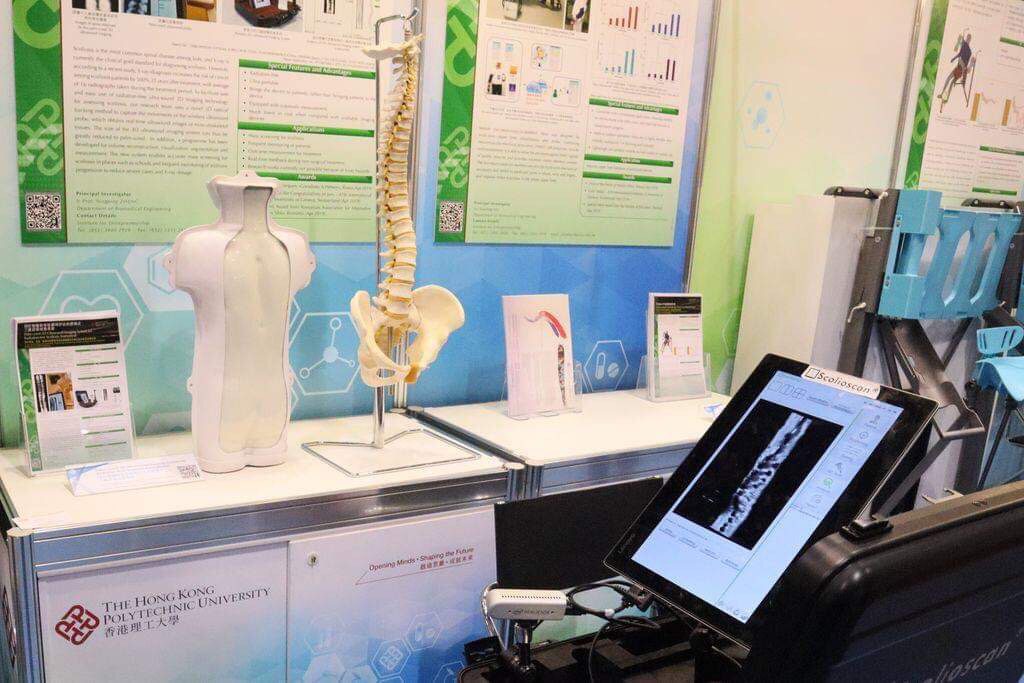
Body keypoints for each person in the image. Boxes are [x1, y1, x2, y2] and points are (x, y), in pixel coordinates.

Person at [938, 32, 972, 105]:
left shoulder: (969, 51)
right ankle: (942, 94)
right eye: (967, 38)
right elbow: (959, 54)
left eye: (968, 38)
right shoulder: (964, 45)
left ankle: (946, 99)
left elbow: (966, 64)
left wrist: (963, 70)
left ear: (970, 40)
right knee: (948, 79)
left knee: (951, 83)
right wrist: (954, 58)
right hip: (958, 67)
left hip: (961, 69)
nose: (967, 39)